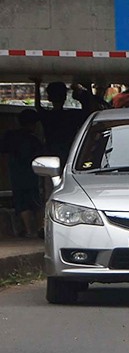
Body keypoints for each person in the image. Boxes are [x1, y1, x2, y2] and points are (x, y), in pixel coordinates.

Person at [1, 110, 44, 238]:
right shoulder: (34, 140)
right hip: (32, 175)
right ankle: (38, 229)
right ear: (34, 124)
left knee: (22, 203)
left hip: (16, 174)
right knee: (35, 203)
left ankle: (30, 231)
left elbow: (3, 149)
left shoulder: (11, 136)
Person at [34, 81, 85, 171]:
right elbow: (87, 110)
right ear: (65, 97)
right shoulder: (72, 115)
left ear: (49, 98)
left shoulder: (47, 116)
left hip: (51, 153)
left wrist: (37, 84)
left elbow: (37, 106)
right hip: (69, 153)